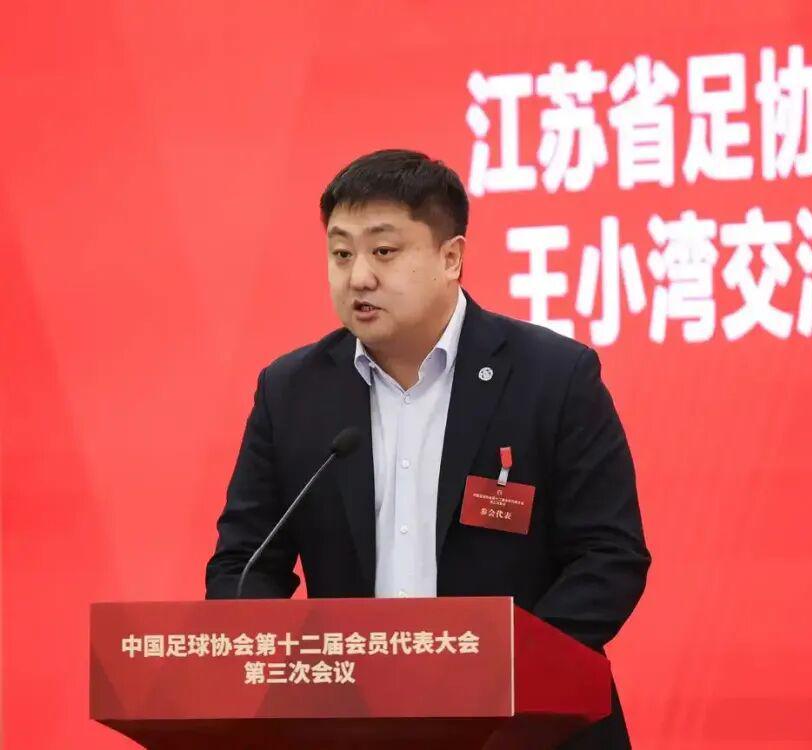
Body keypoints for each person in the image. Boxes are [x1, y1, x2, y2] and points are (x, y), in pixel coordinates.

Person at [205, 149, 650, 748]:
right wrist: (291, 681)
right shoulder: (291, 393)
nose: (358, 277)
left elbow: (610, 556)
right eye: (342, 254)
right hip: (354, 731)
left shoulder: (553, 376)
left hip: (527, 729)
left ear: (451, 257)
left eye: (384, 251)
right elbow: (243, 564)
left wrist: (504, 675)